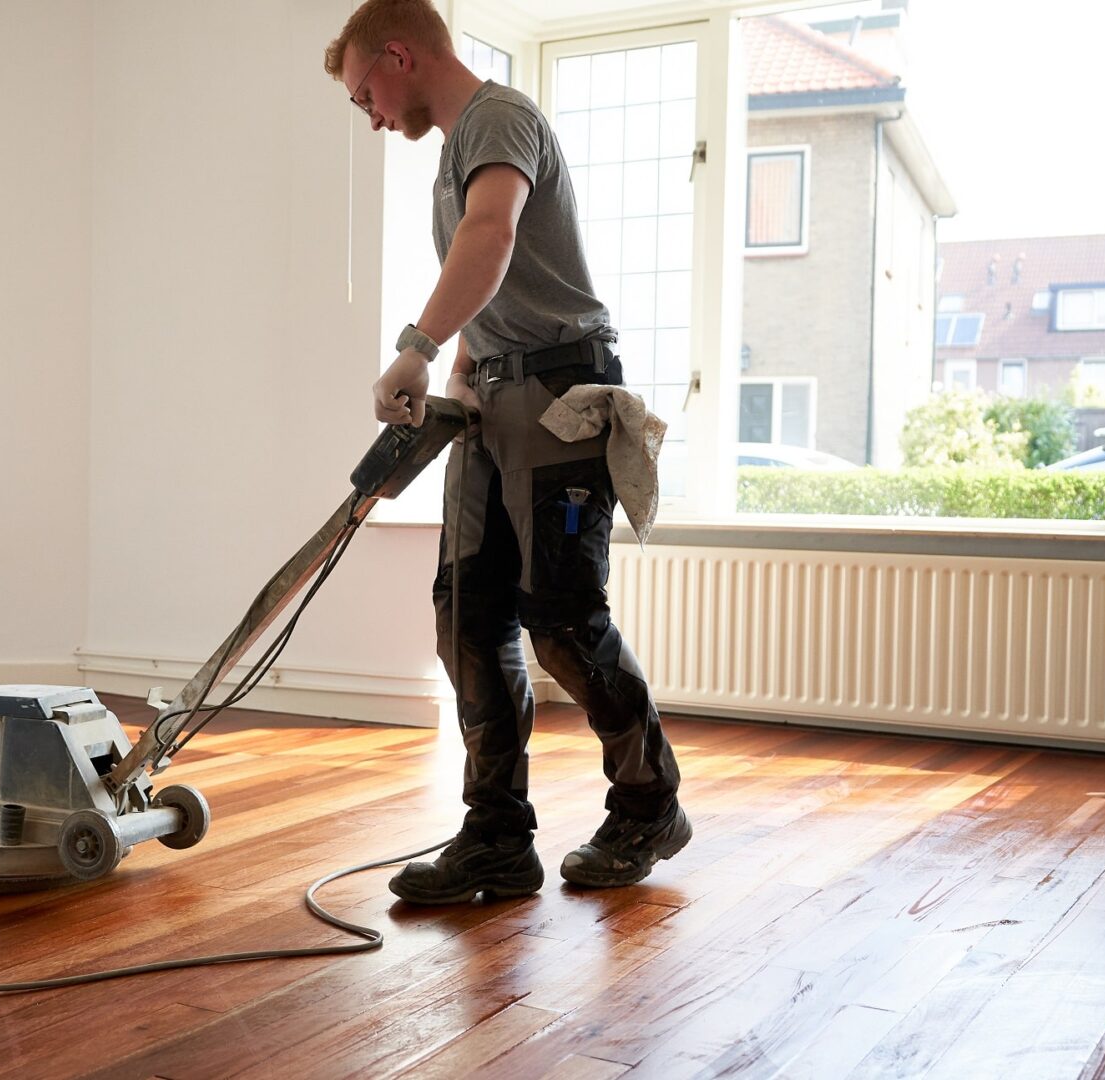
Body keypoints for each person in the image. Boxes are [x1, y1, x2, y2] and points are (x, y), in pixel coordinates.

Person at [324, 0, 688, 904]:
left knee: (561, 614)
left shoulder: (500, 118)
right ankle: (495, 837)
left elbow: (492, 239)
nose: (370, 114)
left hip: (561, 394)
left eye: (366, 91)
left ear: (400, 57)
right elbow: (484, 291)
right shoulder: (452, 154)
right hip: (488, 399)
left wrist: (409, 342)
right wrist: (446, 393)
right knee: (467, 613)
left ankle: (649, 804)